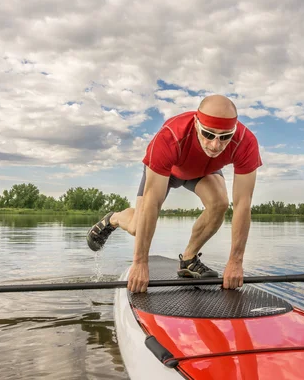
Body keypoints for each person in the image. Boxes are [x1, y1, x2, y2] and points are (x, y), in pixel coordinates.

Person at [86, 95, 262, 293]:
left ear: (235, 131)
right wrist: (140, 263)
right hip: (167, 171)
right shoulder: (170, 137)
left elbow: (243, 204)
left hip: (203, 173)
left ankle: (189, 259)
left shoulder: (245, 142)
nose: (215, 145)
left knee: (220, 203)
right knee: (137, 226)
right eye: (208, 134)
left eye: (224, 137)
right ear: (196, 123)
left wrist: (236, 262)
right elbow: (152, 203)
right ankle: (115, 218)